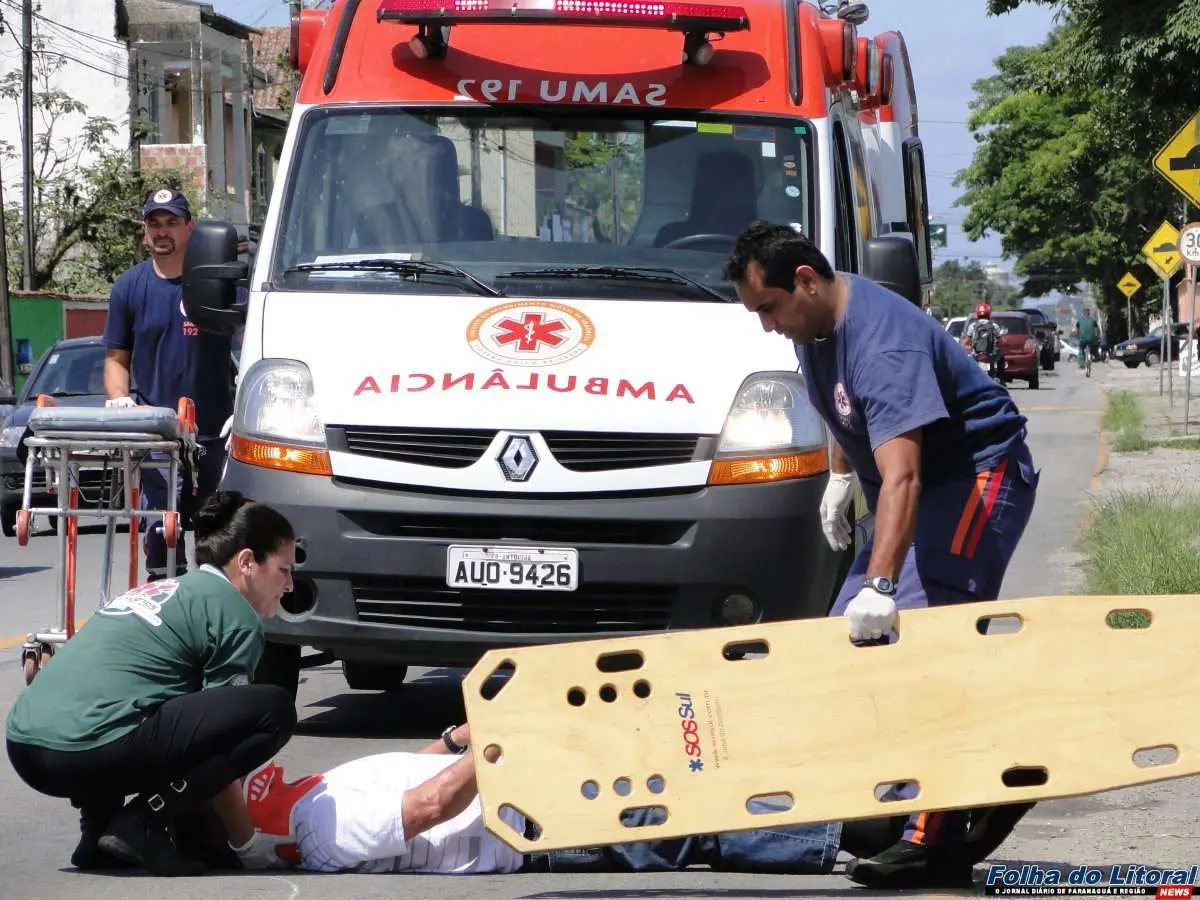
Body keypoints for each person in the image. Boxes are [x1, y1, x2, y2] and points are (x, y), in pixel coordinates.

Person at [723, 221, 1040, 890]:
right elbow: (845, 416)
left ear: (805, 281)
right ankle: (929, 796)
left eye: (768, 308)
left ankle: (939, 831)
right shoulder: (813, 330)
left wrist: (883, 584)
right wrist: (841, 476)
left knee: (923, 642)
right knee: (848, 651)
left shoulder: (882, 343)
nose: (766, 325)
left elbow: (905, 477)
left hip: (976, 477)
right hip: (917, 486)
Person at [5, 491, 299, 877]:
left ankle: (97, 833)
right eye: (284, 569)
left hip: (25, 747)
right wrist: (245, 842)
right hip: (84, 748)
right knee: (271, 711)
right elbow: (218, 742)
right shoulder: (233, 613)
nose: (290, 585)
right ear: (247, 562)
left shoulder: (162, 590)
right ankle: (141, 821)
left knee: (130, 699)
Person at [237, 723, 934, 876]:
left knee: (680, 790)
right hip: (524, 831)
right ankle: (845, 836)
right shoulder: (317, 830)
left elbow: (405, 778)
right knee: (679, 827)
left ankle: (842, 814)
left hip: (522, 796)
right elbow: (424, 810)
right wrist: (493, 748)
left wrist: (455, 736)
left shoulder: (297, 795)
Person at [102, 188, 236, 580]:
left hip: (215, 433)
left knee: (220, 535)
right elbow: (115, 359)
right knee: (163, 531)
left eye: (172, 223)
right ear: (145, 232)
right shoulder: (130, 287)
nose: (162, 232)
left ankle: (213, 616)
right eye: (154, 224)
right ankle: (164, 610)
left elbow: (253, 339)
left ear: (189, 228)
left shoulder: (215, 281)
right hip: (156, 436)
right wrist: (120, 401)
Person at [962, 302, 1005, 380]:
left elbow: (967, 340)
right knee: (1001, 358)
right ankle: (1001, 379)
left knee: (967, 363)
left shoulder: (973, 326)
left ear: (977, 313)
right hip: (991, 354)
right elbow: (1001, 341)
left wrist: (961, 346)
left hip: (976, 355)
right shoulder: (994, 326)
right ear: (989, 313)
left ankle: (967, 380)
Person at [1075, 306, 1099, 373]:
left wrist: (1078, 336)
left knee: (1081, 350)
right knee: (1094, 349)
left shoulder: (1079, 320)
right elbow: (1097, 329)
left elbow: (1077, 330)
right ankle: (1096, 357)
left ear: (1083, 313)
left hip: (1083, 339)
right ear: (1089, 313)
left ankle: (1082, 363)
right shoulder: (1093, 320)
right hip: (1092, 339)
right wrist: (1097, 336)